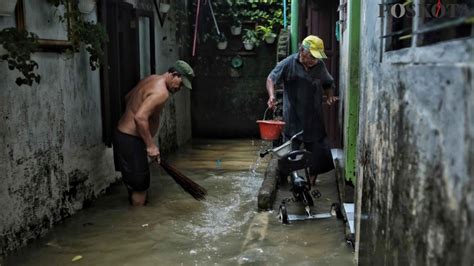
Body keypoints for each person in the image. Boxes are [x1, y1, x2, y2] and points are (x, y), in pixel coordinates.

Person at [113, 60, 195, 206]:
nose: (180, 88)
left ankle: (134, 215)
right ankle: (140, 224)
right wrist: (150, 146)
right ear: (174, 74)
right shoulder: (161, 93)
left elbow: (128, 97)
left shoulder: (151, 79)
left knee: (134, 184)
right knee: (140, 187)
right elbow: (140, 117)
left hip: (122, 137)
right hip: (132, 142)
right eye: (181, 84)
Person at [266, 35, 338, 186]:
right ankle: (292, 180)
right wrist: (272, 96)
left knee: (317, 153)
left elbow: (328, 84)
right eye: (312, 56)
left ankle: (311, 183)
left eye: (316, 57)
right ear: (302, 51)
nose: (314, 60)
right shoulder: (288, 63)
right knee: (290, 153)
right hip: (292, 117)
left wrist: (330, 96)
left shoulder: (319, 66)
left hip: (314, 117)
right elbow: (271, 78)